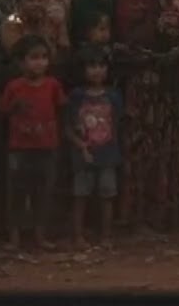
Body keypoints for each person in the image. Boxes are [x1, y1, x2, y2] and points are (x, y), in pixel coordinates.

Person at [115, 0, 179, 232]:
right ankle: (136, 217)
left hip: (166, 81)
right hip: (142, 80)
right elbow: (132, 36)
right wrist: (162, 32)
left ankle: (164, 213)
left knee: (167, 146)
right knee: (141, 148)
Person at [0, 34, 67, 251]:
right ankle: (15, 237)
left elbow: (61, 110)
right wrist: (14, 107)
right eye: (34, 57)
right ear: (21, 62)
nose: (40, 62)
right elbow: (2, 112)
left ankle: (39, 235)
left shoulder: (53, 85)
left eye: (44, 57)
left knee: (43, 193)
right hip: (19, 148)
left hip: (47, 147)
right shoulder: (14, 87)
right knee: (17, 193)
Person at [66, 46, 123, 250]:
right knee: (80, 195)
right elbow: (68, 126)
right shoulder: (76, 96)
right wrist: (81, 146)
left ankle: (106, 235)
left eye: (101, 66)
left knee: (107, 195)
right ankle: (78, 236)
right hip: (82, 155)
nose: (97, 71)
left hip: (108, 154)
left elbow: (117, 124)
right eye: (92, 66)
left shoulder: (114, 96)